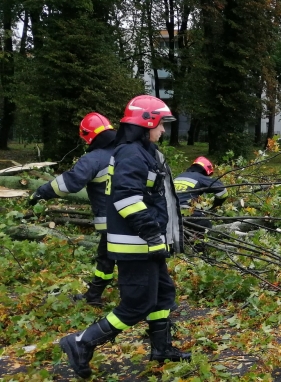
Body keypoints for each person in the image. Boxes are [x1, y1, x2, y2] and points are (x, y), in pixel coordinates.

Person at [59, 95, 189, 379]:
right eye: (161, 124)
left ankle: (161, 348)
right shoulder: (131, 153)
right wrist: (151, 231)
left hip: (146, 245)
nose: (163, 131)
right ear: (147, 122)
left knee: (163, 295)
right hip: (137, 245)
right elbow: (126, 198)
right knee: (136, 305)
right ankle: (81, 343)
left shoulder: (144, 152)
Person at [29, 113, 117, 306]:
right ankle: (94, 297)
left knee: (115, 260)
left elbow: (68, 184)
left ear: (87, 136)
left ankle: (138, 302)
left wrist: (40, 193)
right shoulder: (129, 151)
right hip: (138, 218)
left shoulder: (94, 159)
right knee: (109, 259)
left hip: (113, 223)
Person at [174, 156, 228, 231]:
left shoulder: (178, 177)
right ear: (205, 170)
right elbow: (223, 191)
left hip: (168, 211)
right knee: (206, 227)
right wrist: (215, 205)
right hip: (186, 211)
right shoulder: (200, 177)